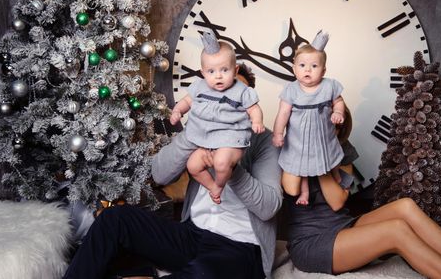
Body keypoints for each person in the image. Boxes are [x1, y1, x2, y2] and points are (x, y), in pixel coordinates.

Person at [62, 56, 283, 279]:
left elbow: (268, 207)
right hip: (192, 235)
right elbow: (159, 174)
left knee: (201, 273)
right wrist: (194, 135)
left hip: (239, 246)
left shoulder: (264, 140)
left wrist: (230, 168)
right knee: (114, 218)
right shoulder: (199, 130)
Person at [283, 121, 441, 279]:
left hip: (342, 226)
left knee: (406, 206)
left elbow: (337, 200)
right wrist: (314, 154)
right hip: (311, 244)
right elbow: (291, 187)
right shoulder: (291, 148)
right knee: (396, 230)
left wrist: (325, 155)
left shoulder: (341, 148)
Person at [169, 31, 265, 203]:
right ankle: (213, 187)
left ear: (235, 70)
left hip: (230, 140)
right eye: (211, 71)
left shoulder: (242, 91)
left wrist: (257, 121)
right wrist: (177, 111)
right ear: (203, 73)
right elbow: (187, 101)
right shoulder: (199, 87)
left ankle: (220, 184)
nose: (218, 76)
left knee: (221, 163)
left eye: (224, 70)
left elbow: (254, 108)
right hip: (207, 140)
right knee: (193, 165)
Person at [272, 30, 345, 205]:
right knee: (302, 167)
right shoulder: (291, 90)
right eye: (302, 65)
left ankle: (335, 174)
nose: (308, 70)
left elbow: (339, 101)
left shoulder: (329, 86)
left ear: (324, 70)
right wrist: (278, 134)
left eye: (314, 66)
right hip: (299, 140)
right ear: (294, 68)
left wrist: (338, 112)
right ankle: (304, 194)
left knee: (331, 156)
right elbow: (282, 113)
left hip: (323, 137)